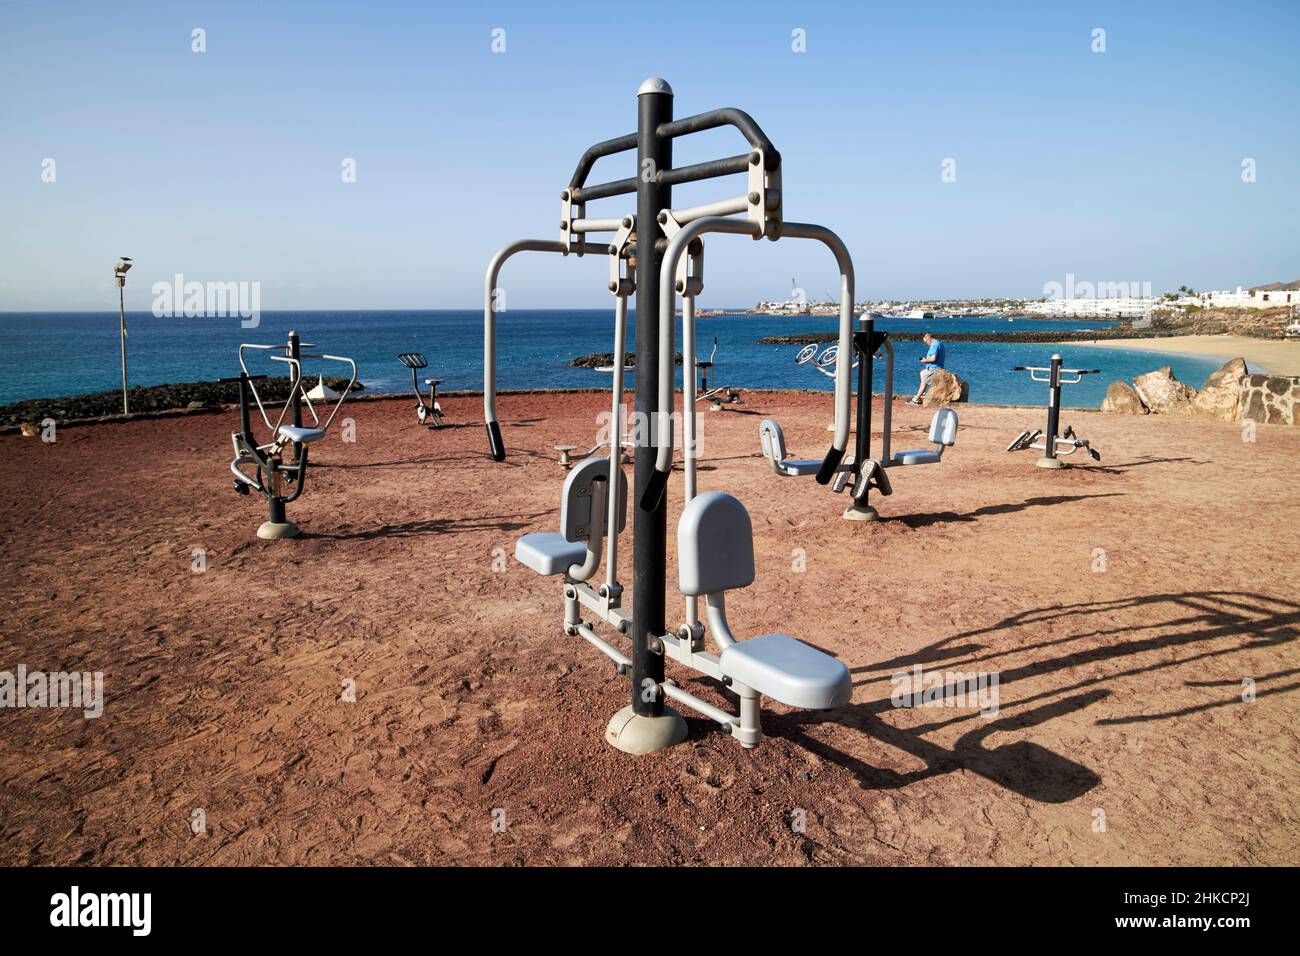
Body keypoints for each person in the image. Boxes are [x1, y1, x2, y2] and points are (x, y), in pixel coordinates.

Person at [908, 332, 945, 406]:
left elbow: (933, 358)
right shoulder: (939, 343)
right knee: (922, 373)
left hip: (933, 368)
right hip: (937, 367)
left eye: (926, 342)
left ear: (929, 339)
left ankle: (916, 400)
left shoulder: (934, 345)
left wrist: (924, 360)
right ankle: (923, 394)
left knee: (923, 383)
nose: (927, 344)